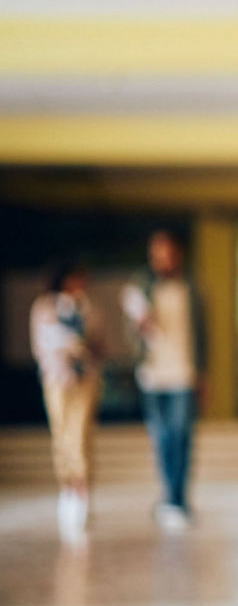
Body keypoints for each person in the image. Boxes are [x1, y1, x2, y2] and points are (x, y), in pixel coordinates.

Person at [121, 229, 204, 532]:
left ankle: (179, 499)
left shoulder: (191, 289)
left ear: (177, 254)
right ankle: (169, 497)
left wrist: (204, 374)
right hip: (153, 374)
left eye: (167, 253)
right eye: (157, 254)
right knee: (162, 438)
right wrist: (140, 326)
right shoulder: (142, 288)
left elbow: (203, 335)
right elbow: (132, 336)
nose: (162, 259)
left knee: (182, 436)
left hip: (183, 373)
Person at [30, 261, 105, 540]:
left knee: (80, 434)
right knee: (61, 434)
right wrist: (62, 347)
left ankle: (82, 490)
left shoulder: (90, 308)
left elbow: (101, 345)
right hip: (58, 379)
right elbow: (40, 345)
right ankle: (67, 487)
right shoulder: (45, 307)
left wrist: (83, 344)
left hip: (86, 380)